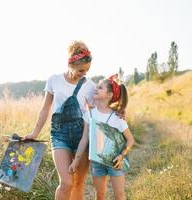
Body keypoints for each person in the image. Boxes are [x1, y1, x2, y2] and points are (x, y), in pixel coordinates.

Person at [23, 40, 95, 200]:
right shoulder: (54, 80)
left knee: (78, 183)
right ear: (71, 63)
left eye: (87, 70)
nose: (84, 74)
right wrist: (35, 132)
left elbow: (96, 113)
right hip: (59, 136)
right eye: (81, 70)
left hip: (81, 137)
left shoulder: (90, 86)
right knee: (67, 182)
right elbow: (45, 109)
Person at [68, 75, 135, 200]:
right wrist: (76, 160)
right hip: (97, 162)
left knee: (119, 196)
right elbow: (84, 139)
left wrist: (122, 156)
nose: (96, 88)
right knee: (99, 195)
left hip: (115, 162)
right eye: (96, 86)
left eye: (100, 87)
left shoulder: (117, 118)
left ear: (109, 95)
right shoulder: (89, 115)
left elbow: (130, 140)